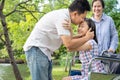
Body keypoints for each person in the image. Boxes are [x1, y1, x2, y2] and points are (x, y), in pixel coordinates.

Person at [23, 0, 93, 80]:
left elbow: (68, 40)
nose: (82, 20)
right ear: (75, 14)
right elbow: (68, 44)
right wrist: (86, 38)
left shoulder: (64, 16)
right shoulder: (63, 18)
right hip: (37, 50)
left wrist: (77, 34)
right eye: (82, 18)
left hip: (43, 52)